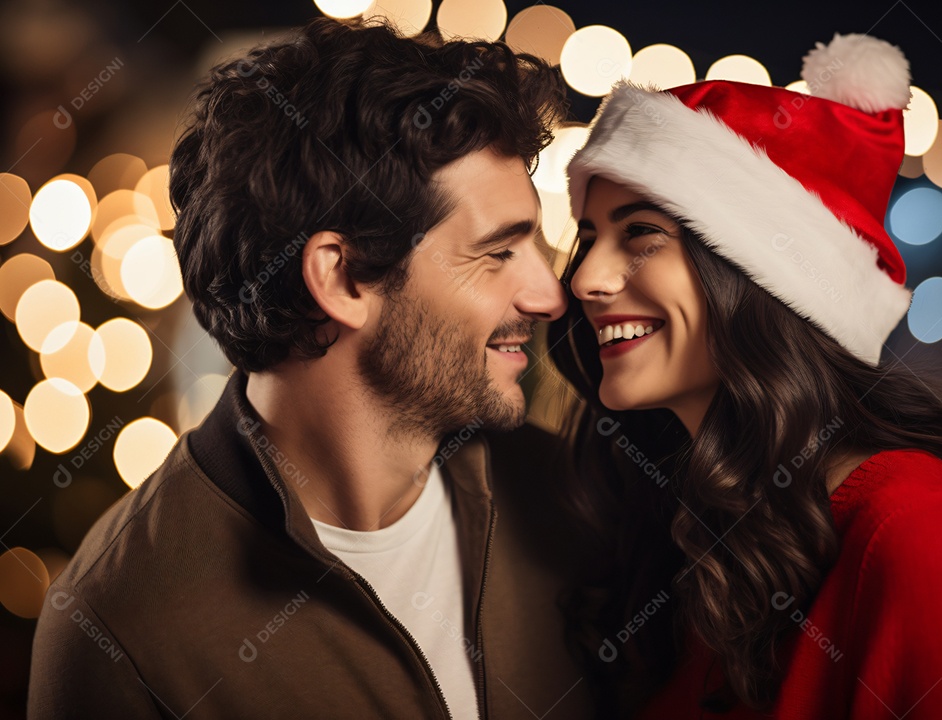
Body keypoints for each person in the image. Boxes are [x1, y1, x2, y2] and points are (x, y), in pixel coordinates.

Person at [29, 17, 594, 719]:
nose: (549, 296)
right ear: (342, 276)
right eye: (497, 252)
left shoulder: (574, 502)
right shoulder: (120, 629)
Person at [550, 33, 942, 719]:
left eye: (640, 235)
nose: (585, 279)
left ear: (759, 277)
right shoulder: (694, 525)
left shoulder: (918, 523)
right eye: (590, 236)